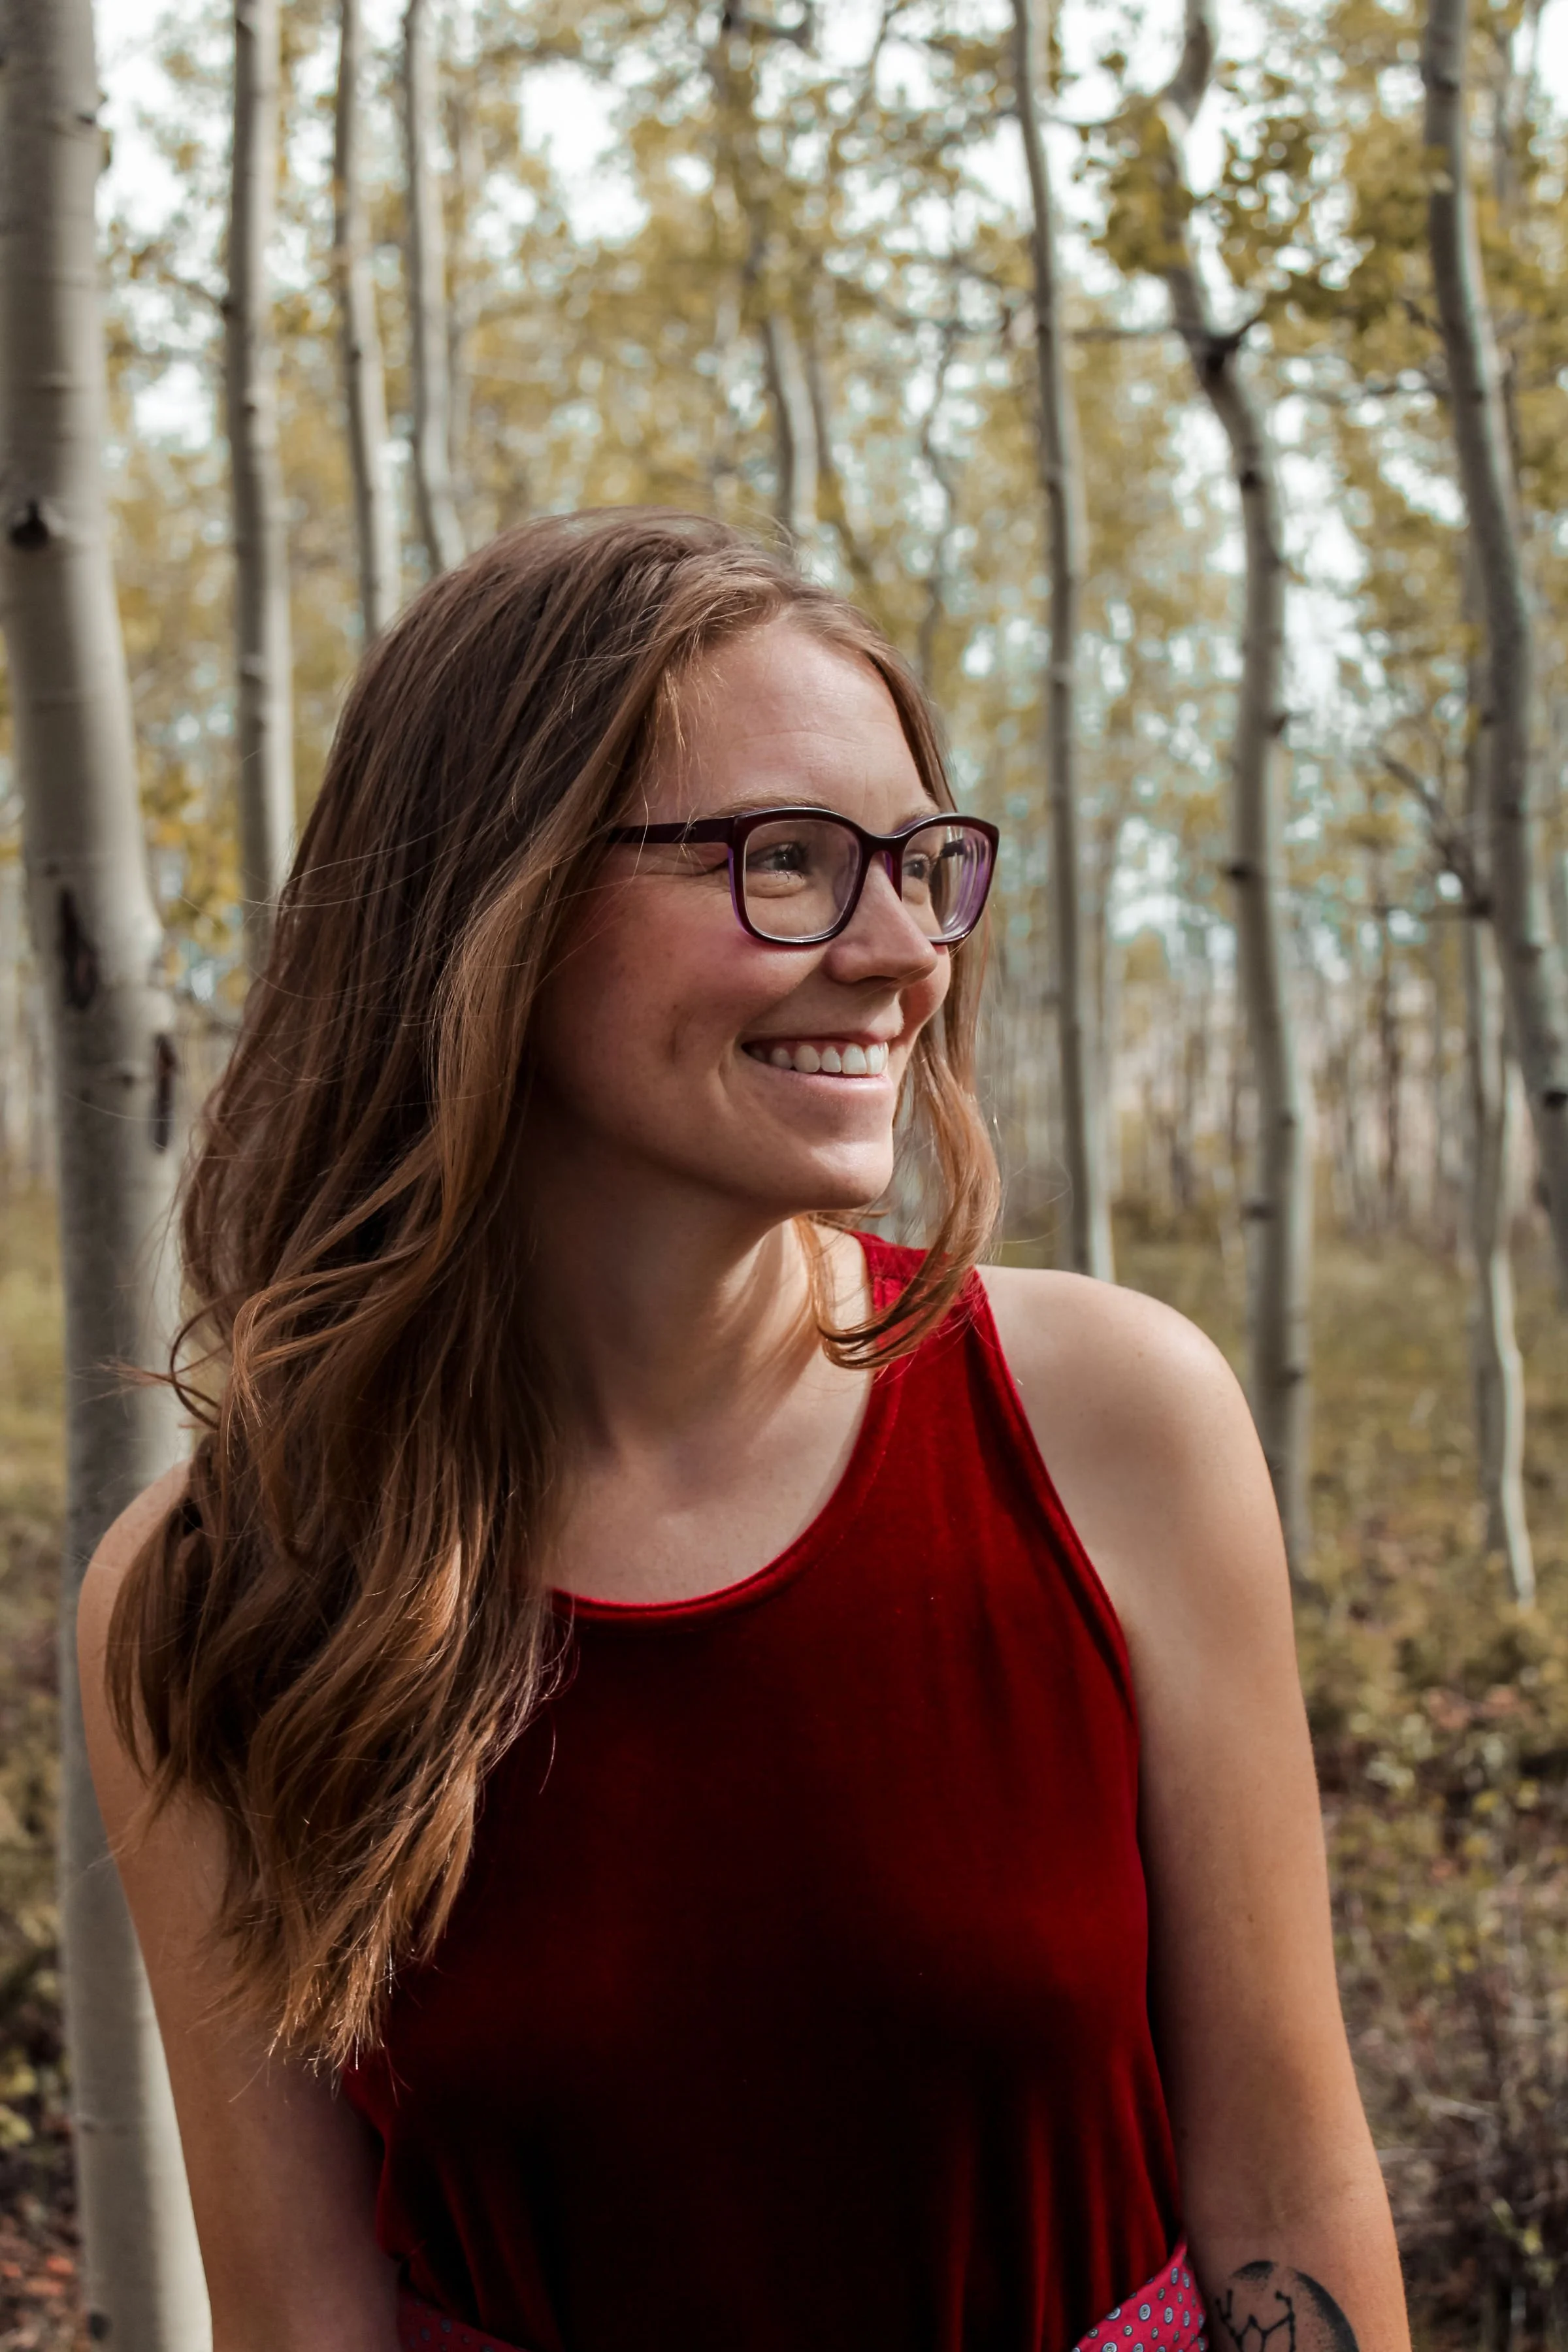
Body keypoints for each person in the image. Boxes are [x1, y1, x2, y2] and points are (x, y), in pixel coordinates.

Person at [79, 510, 1407, 2352]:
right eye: (785, 861)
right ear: (500, 900)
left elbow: (1291, 2194)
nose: (894, 952)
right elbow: (306, 2323)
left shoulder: (1116, 1425)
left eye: (921, 864)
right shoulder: (220, 1591)